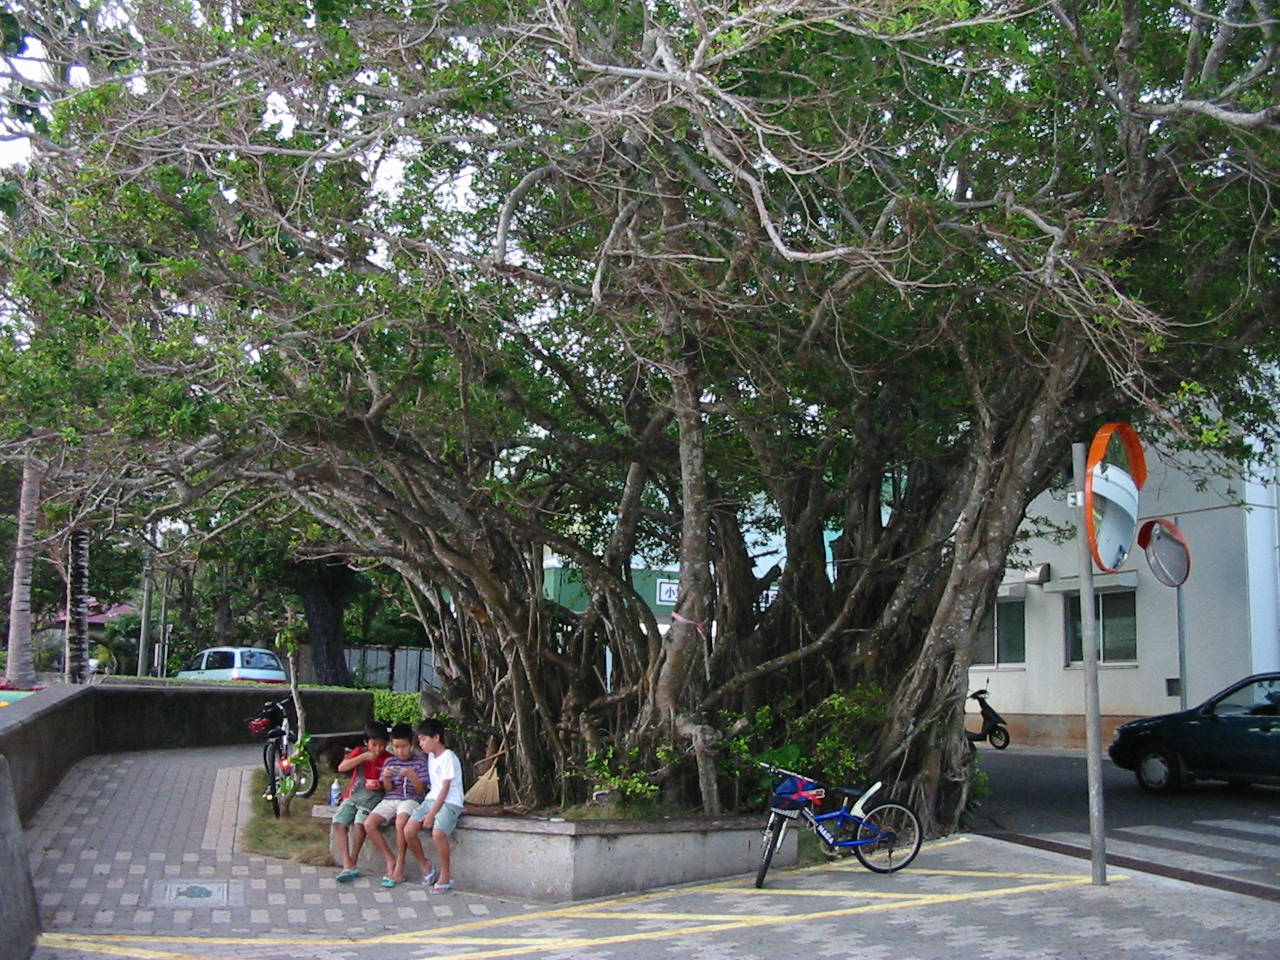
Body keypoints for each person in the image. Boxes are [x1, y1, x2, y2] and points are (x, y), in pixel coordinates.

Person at [363, 723, 431, 887]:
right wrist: (385, 778)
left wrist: (413, 776)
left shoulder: (420, 763)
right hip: (391, 797)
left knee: (401, 822)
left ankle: (400, 863)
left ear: (411, 744)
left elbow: (421, 791)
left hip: (411, 798)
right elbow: (388, 790)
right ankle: (390, 859)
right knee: (369, 824)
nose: (399, 751)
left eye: (403, 747)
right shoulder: (389, 761)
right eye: (396, 747)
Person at [404, 718, 465, 893]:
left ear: (436, 737)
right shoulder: (431, 757)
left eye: (423, 739)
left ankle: (446, 875)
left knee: (438, 833)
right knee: (408, 830)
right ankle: (425, 864)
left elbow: (445, 789)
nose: (421, 744)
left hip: (450, 801)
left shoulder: (448, 757)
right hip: (432, 799)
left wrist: (431, 814)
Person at [333, 720, 391, 883]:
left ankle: (353, 859)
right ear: (366, 743)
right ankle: (346, 862)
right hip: (353, 795)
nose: (378, 749)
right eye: (374, 745)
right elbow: (342, 767)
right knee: (339, 822)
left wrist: (381, 784)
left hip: (373, 798)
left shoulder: (389, 759)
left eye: (382, 745)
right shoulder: (360, 752)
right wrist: (362, 757)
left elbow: (391, 786)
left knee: (360, 823)